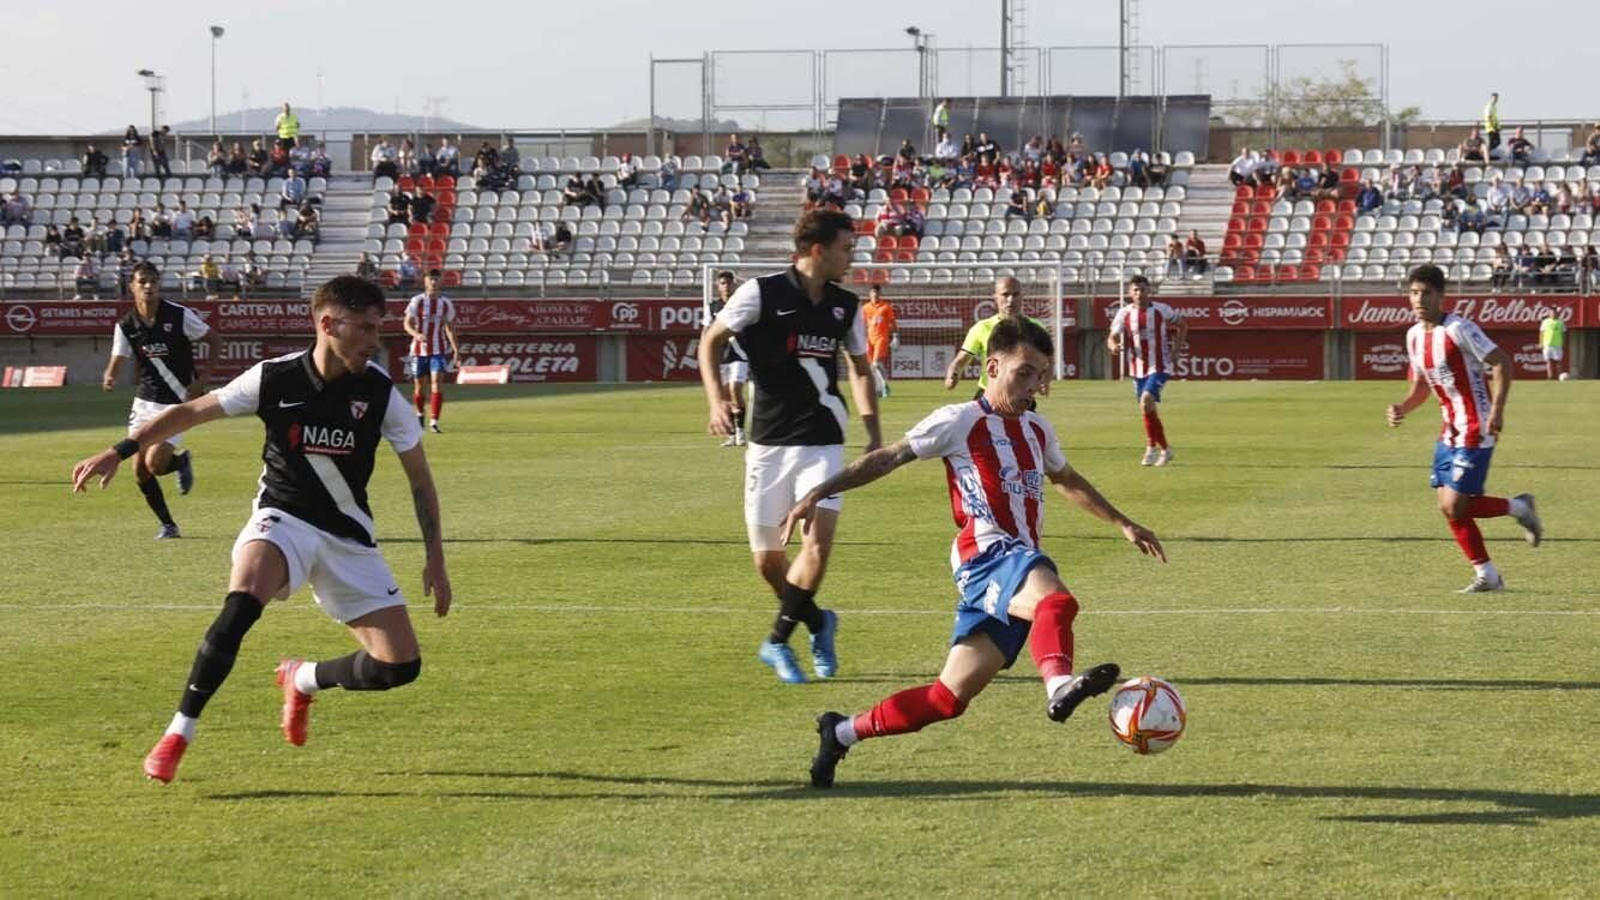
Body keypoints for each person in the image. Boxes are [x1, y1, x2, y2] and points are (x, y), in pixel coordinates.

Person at [72, 275, 453, 784]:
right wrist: (118, 451)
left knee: (399, 667)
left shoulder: (381, 394)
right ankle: (178, 732)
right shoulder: (273, 378)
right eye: (363, 327)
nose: (374, 340)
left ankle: (303, 678)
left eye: (376, 328)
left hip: (347, 538)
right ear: (327, 324)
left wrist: (436, 559)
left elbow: (421, 482)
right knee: (241, 602)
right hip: (283, 519)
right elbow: (189, 411)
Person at [792, 317, 1167, 788]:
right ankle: (1058, 686)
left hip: (1010, 566)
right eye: (1025, 372)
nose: (1036, 384)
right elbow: (887, 456)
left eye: (1041, 374)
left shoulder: (1037, 428)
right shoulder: (959, 420)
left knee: (945, 699)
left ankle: (841, 732)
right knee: (1057, 601)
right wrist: (819, 492)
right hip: (986, 555)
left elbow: (1066, 479)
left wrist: (1124, 523)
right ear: (992, 366)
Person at [696, 208, 882, 684]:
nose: (852, 257)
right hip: (768, 441)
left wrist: (873, 431)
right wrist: (717, 400)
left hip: (823, 441)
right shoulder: (760, 294)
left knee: (815, 545)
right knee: (767, 561)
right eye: (846, 248)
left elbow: (860, 368)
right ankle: (819, 621)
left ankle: (776, 641)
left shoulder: (846, 305)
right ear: (817, 250)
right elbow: (711, 341)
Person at [1384, 264, 1542, 592]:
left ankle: (1518, 512)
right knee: (1450, 508)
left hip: (1476, 425)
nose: (1418, 299)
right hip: (1449, 430)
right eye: (1414, 292)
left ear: (1441, 296)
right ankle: (1489, 573)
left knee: (1455, 505)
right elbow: (1421, 388)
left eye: (1426, 293)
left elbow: (1501, 362)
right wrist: (1402, 408)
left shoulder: (1459, 329)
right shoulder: (1413, 336)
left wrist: (1497, 410)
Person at [99, 262, 222, 539]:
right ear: (132, 286)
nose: (148, 286)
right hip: (145, 401)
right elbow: (118, 357)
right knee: (139, 470)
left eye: (153, 281)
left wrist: (202, 380)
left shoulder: (179, 315)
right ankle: (168, 525)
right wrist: (110, 375)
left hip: (178, 401)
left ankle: (179, 463)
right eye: (142, 281)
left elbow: (214, 340)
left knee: (155, 463)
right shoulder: (127, 325)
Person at [1106, 274, 1187, 467]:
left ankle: (1151, 448)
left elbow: (1182, 325)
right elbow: (1112, 336)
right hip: (1137, 368)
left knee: (1146, 400)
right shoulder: (1124, 313)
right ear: (1129, 292)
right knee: (1147, 409)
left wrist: (1176, 351)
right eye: (1135, 290)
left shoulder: (1162, 310)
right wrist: (1113, 346)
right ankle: (1166, 450)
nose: (1139, 293)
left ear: (1149, 291)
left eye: (1143, 289)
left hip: (1159, 365)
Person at [943, 277, 1048, 400]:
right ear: (996, 297)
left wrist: (1044, 379)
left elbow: (1045, 362)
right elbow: (961, 360)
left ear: (1022, 296)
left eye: (1016, 294)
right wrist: (953, 374)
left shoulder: (1036, 328)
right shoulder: (982, 328)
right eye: (1005, 295)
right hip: (988, 397)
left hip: (1021, 397)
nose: (1011, 300)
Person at [404, 270, 460, 434]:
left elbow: (449, 328)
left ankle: (434, 421)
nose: (434, 282)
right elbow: (406, 324)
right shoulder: (417, 301)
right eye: (431, 279)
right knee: (420, 387)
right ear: (425, 281)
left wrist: (456, 350)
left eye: (436, 279)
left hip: (438, 350)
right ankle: (420, 414)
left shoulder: (446, 304)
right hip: (418, 350)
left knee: (437, 383)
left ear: (440, 281)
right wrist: (416, 334)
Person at [704, 270, 752, 447]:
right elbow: (706, 331)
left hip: (740, 355)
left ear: (734, 284)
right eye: (722, 283)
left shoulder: (740, 304)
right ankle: (732, 433)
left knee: (735, 390)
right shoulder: (713, 307)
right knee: (725, 395)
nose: (726, 286)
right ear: (718, 286)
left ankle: (740, 432)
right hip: (722, 356)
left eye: (729, 283)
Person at [860, 285, 899, 398]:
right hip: (869, 339)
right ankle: (878, 389)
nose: (875, 295)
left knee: (876, 364)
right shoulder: (866, 308)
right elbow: (863, 324)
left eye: (877, 293)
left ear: (880, 294)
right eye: (873, 293)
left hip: (881, 338)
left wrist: (895, 336)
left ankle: (885, 386)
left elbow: (892, 322)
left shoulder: (886, 306)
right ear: (870, 294)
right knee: (872, 366)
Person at [1539, 309, 1566, 381]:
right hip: (1547, 344)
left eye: (1555, 313)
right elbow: (1542, 333)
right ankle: (1550, 377)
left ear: (1557, 314)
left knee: (1558, 362)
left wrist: (1563, 342)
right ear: (1549, 314)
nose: (1553, 314)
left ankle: (1559, 376)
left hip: (1557, 345)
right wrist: (1541, 343)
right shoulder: (1545, 322)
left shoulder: (1561, 322)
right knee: (1548, 361)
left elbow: (1563, 333)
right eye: (1552, 313)